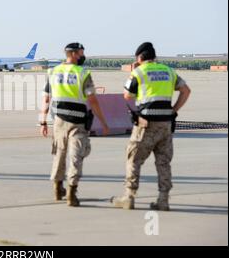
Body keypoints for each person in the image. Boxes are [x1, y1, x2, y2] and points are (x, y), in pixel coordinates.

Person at [111, 42, 191, 210]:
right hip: (165, 125)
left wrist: (134, 73)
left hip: (145, 125)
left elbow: (127, 95)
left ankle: (129, 197)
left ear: (140, 57)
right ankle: (163, 200)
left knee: (133, 159)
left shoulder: (139, 72)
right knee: (163, 163)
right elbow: (186, 91)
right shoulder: (168, 71)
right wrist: (173, 110)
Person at [40, 42, 110, 207]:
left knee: (59, 153)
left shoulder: (53, 72)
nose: (82, 56)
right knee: (76, 156)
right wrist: (104, 122)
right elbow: (93, 100)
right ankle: (72, 192)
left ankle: (57, 188)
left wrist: (42, 121)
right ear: (72, 54)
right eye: (80, 53)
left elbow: (46, 99)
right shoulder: (82, 73)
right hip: (77, 122)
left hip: (59, 121)